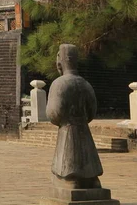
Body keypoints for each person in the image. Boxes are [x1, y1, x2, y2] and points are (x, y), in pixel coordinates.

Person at [45, 44, 103, 189]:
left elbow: (54, 112)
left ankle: (71, 178)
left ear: (60, 60)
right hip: (84, 129)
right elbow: (92, 111)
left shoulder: (59, 84)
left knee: (68, 158)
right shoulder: (85, 83)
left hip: (67, 129)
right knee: (87, 155)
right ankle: (92, 179)